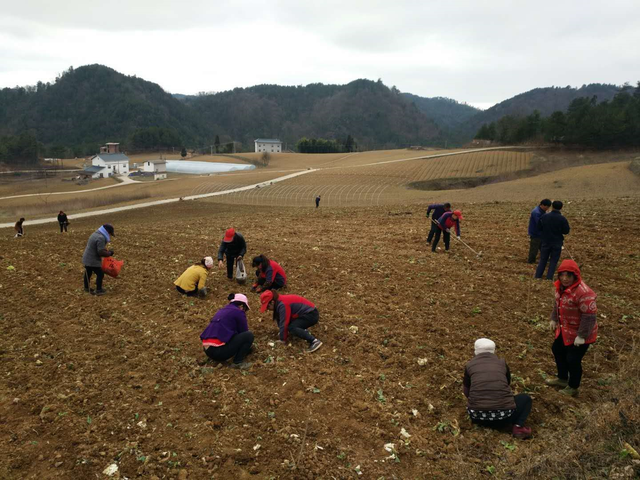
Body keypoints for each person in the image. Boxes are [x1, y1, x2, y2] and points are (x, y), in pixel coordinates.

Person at [545, 259, 598, 396]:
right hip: (565, 329)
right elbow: (557, 304)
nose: (565, 278)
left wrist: (582, 336)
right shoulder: (560, 288)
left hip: (581, 332)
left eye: (568, 276)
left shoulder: (584, 293)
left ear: (575, 276)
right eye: (562, 275)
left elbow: (589, 316)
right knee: (557, 349)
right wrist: (554, 318)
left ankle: (573, 387)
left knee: (573, 359)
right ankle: (562, 378)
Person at [463, 338, 533, 439]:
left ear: (475, 351)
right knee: (526, 399)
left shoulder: (469, 365)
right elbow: (507, 383)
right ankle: (518, 427)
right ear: (494, 351)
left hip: (477, 417)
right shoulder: (502, 363)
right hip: (504, 418)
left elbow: (466, 392)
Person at [200, 293, 254, 369]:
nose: (244, 311)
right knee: (249, 335)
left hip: (208, 350)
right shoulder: (239, 312)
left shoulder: (222, 310)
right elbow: (244, 332)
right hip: (218, 352)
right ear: (241, 305)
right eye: (245, 308)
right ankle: (238, 362)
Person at [535, 200, 570, 280]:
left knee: (543, 259)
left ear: (552, 207)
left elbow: (539, 227)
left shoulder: (544, 216)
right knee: (553, 261)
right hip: (557, 242)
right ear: (561, 208)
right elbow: (566, 231)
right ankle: (549, 278)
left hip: (545, 241)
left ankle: (537, 276)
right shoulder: (562, 219)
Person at [82, 224, 115, 295]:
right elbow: (100, 252)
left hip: (87, 257)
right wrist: (109, 253)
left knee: (88, 272)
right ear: (107, 232)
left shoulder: (95, 234)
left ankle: (86, 288)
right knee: (100, 273)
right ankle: (99, 290)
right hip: (92, 259)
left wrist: (106, 251)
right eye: (110, 233)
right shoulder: (101, 237)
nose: (110, 235)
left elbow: (97, 248)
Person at [527, 199, 551, 263]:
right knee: (534, 248)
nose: (547, 208)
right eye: (547, 207)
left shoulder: (542, 211)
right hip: (536, 233)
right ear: (542, 205)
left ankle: (545, 258)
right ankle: (531, 261)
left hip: (541, 233)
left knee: (543, 246)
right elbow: (539, 223)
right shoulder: (536, 212)